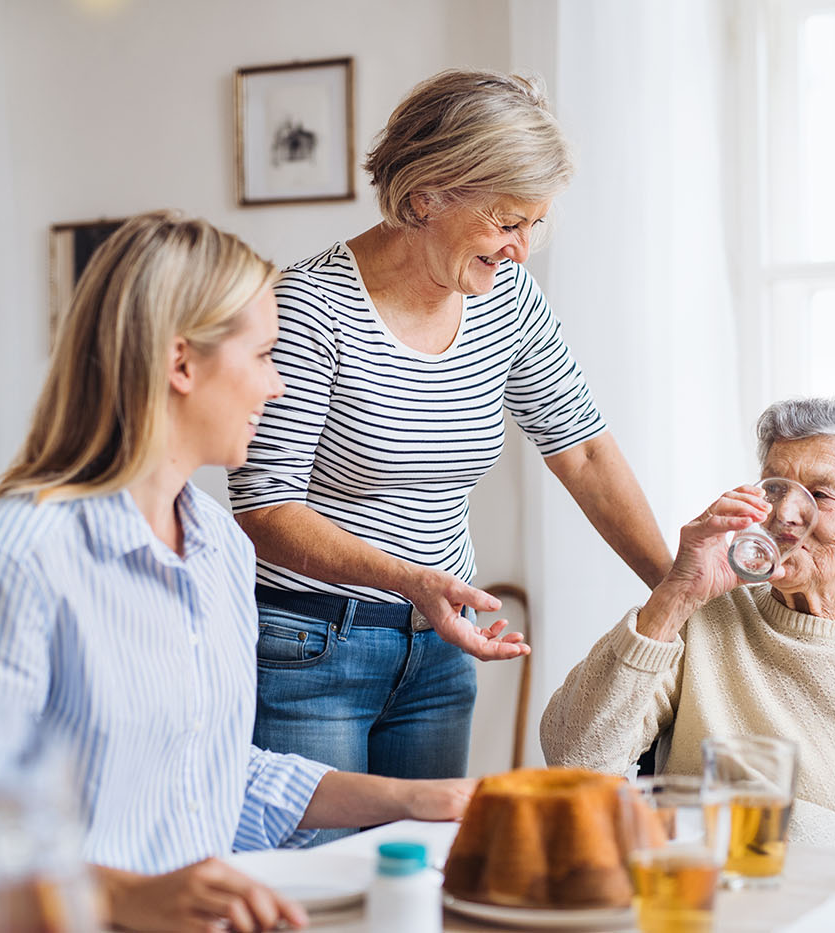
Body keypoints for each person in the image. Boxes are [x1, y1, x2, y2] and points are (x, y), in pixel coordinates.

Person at [0, 211, 476, 933]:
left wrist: (411, 799)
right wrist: (124, 897)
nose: (275, 387)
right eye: (265, 355)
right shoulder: (14, 560)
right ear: (182, 363)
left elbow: (213, 777)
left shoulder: (218, 546)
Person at [227, 69, 673, 787]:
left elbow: (584, 450)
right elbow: (264, 506)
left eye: (536, 223)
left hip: (438, 649)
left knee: (427, 875)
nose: (523, 248)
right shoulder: (309, 306)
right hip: (310, 644)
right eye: (507, 221)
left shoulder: (509, 300)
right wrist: (411, 581)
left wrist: (673, 590)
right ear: (425, 194)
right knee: (324, 886)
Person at [540, 397, 835, 858]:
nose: (784, 515)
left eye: (819, 495)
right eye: (776, 490)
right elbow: (574, 761)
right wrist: (675, 595)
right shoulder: (702, 617)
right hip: (695, 893)